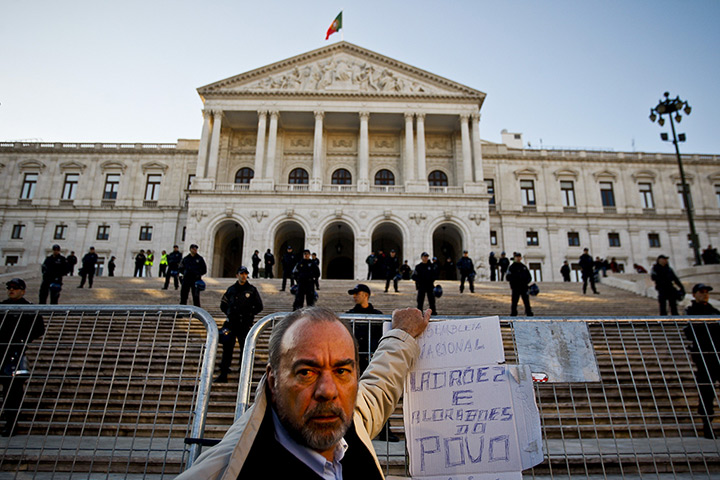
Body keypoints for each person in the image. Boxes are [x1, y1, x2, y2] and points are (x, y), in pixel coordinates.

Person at [175, 305, 430, 479]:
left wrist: (401, 336)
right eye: (307, 372)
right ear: (273, 382)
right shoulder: (225, 469)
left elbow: (377, 388)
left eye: (342, 371)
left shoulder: (351, 422)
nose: (328, 391)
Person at [345, 284, 398, 442]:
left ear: (366, 295)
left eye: (357, 293)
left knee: (379, 395)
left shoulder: (377, 315)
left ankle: (385, 431)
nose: (354, 296)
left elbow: (382, 337)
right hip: (355, 361)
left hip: (371, 360)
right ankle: (351, 431)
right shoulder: (349, 315)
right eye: (353, 294)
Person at [1, 278, 45, 436]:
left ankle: (11, 423)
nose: (11, 290)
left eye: (15, 288)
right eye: (9, 287)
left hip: (15, 352)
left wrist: (23, 339)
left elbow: (40, 329)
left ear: (22, 290)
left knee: (12, 390)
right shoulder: (2, 306)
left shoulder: (29, 308)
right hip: (1, 350)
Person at [215, 266, 264, 384]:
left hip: (244, 324)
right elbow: (223, 304)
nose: (244, 276)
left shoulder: (252, 290)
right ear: (237, 275)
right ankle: (224, 373)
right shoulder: (231, 289)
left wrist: (250, 315)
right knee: (227, 350)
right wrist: (229, 313)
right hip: (231, 324)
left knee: (245, 349)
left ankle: (243, 374)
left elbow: (259, 306)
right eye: (241, 273)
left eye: (245, 274)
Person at [684, 283, 720, 439]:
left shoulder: (714, 311)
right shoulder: (690, 312)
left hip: (718, 354)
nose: (704, 295)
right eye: (701, 292)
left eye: (706, 292)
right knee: (706, 392)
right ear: (694, 294)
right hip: (704, 356)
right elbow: (690, 332)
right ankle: (707, 424)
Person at [507, 252, 534, 317]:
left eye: (519, 257)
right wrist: (514, 282)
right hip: (515, 287)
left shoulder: (524, 267)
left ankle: (528, 312)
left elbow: (529, 277)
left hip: (524, 287)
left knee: (526, 301)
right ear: (515, 258)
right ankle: (513, 313)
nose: (518, 258)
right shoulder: (511, 267)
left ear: (521, 258)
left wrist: (525, 282)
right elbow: (508, 277)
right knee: (514, 301)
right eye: (517, 257)